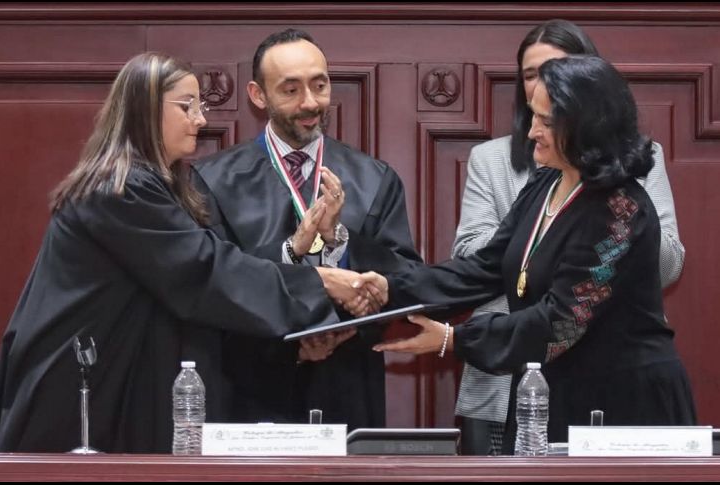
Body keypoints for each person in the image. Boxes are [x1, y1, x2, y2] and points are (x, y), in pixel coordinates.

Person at [0, 52, 347, 453]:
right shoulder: (118, 189)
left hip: (124, 385)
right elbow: (204, 272)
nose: (201, 120)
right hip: (80, 401)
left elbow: (210, 274)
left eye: (199, 106)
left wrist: (299, 324)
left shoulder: (159, 188)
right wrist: (321, 284)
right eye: (186, 106)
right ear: (144, 109)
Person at [370, 55, 697, 454]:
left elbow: (559, 323)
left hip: (624, 411)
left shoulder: (620, 210)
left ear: (584, 126)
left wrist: (454, 339)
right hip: (555, 394)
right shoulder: (547, 182)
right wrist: (386, 289)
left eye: (545, 121)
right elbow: (486, 267)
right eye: (533, 117)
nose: (532, 133)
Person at [450, 19, 685, 455]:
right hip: (523, 377)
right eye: (529, 76)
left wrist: (589, 253)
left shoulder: (629, 181)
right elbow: (476, 259)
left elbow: (667, 262)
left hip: (614, 387)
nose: (541, 85)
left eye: (554, 73)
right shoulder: (520, 168)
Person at [191, 29, 421, 429]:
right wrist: (289, 257)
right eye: (291, 90)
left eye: (320, 85)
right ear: (258, 95)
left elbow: (407, 278)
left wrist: (339, 243)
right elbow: (210, 287)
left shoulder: (374, 178)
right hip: (252, 389)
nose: (311, 103)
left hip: (348, 381)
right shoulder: (213, 181)